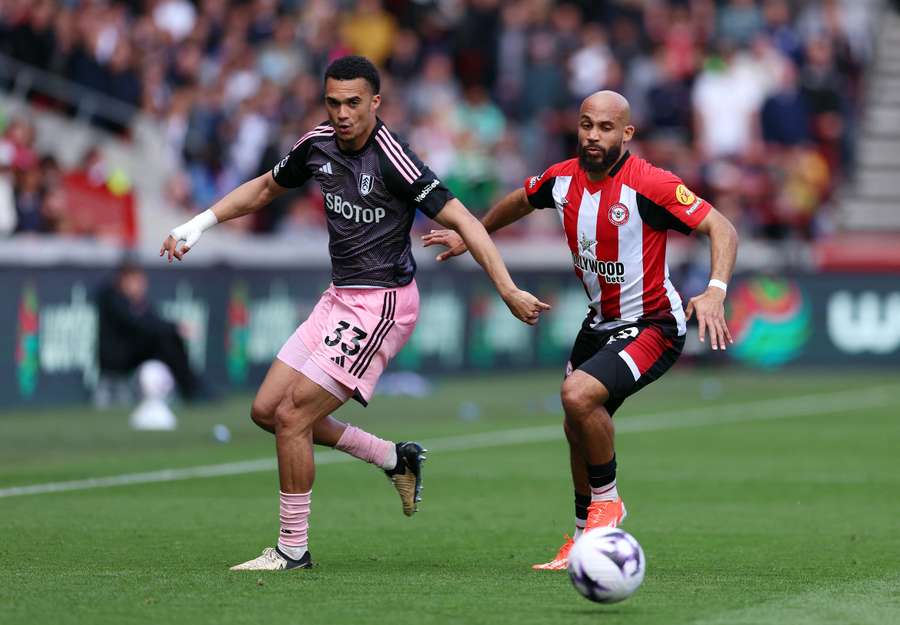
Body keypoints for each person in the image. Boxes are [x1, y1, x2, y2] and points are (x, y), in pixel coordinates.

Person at [159, 56, 550, 571]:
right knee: (266, 412)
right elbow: (263, 188)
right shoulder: (316, 145)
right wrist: (199, 224)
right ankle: (393, 457)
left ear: (375, 103)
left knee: (294, 418)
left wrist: (507, 287)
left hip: (383, 303)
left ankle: (292, 550)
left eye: (353, 103)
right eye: (334, 102)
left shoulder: (395, 159)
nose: (342, 113)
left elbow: (465, 221)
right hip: (340, 296)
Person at [423, 90, 738, 570]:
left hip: (653, 324)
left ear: (627, 133)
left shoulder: (649, 183)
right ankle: (582, 538)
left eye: (606, 128)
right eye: (586, 125)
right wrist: (474, 233)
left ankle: (608, 503)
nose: (593, 135)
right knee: (576, 425)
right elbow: (520, 200)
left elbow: (723, 228)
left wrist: (715, 289)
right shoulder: (561, 178)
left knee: (576, 395)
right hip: (601, 323)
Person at [96, 261, 204, 401]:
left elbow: (153, 321)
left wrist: (174, 328)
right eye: (136, 281)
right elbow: (139, 324)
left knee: (169, 338)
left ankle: (191, 385)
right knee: (166, 337)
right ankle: (190, 388)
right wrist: (176, 328)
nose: (141, 286)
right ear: (124, 280)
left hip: (136, 354)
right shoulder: (112, 299)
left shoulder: (138, 301)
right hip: (118, 360)